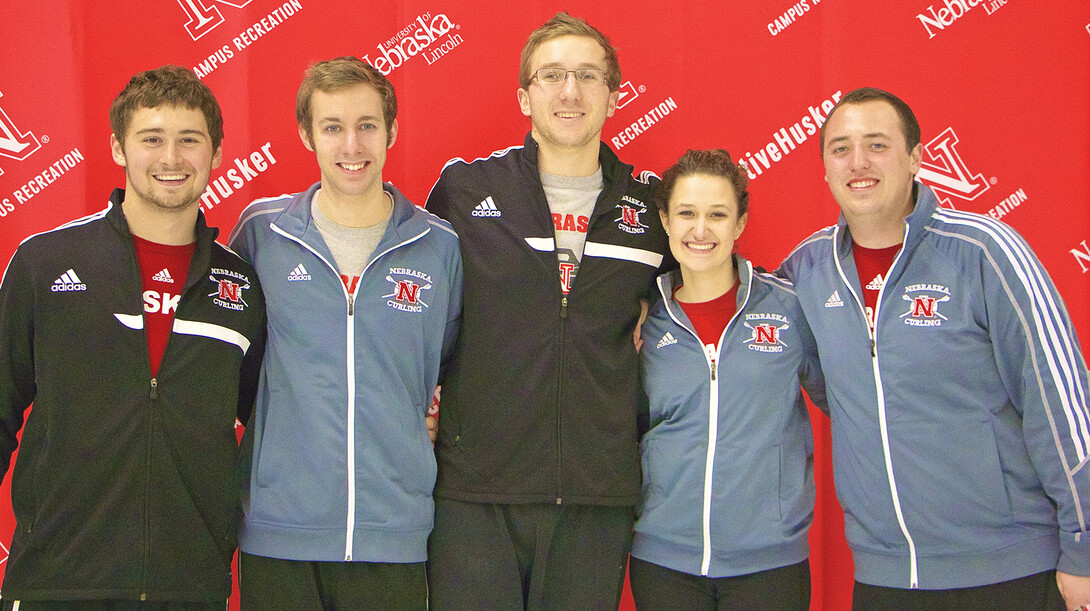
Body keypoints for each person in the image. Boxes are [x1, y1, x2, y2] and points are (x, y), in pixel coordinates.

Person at [778, 86, 1090, 610]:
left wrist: (1084, 550)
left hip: (1009, 566)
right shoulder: (807, 270)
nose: (858, 162)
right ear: (825, 167)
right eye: (840, 148)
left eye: (877, 145)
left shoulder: (985, 251)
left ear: (916, 158)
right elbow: (830, 385)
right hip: (886, 577)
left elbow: (1060, 404)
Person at [424, 11, 669, 610]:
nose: (570, 91)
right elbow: (415, 313)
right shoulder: (465, 191)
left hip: (596, 495)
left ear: (614, 95)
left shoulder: (653, 205)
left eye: (588, 76)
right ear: (524, 96)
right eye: (552, 75)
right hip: (475, 493)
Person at [0, 65, 266, 609]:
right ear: (120, 149)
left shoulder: (239, 285)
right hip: (56, 581)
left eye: (189, 140)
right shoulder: (45, 264)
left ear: (216, 154)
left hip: (188, 586)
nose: (171, 159)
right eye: (152, 139)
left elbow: (270, 421)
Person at [228, 56, 461, 610]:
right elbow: (229, 364)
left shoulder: (439, 246)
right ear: (307, 134)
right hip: (280, 530)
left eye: (367, 126)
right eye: (333, 128)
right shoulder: (262, 235)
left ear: (392, 131)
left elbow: (447, 364)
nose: (351, 146)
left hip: (394, 534)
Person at [631, 149, 824, 610]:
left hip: (770, 563)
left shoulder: (788, 309)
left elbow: (853, 397)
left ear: (739, 224)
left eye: (717, 214)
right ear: (665, 220)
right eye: (686, 213)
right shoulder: (642, 319)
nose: (701, 230)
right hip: (663, 561)